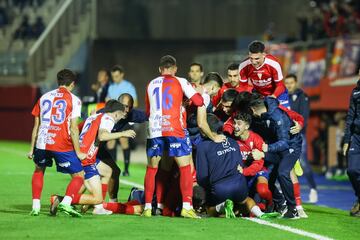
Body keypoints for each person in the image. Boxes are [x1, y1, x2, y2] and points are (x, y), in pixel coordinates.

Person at [143, 55, 204, 218]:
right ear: (175, 69)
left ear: (159, 69)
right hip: (174, 129)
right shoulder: (181, 81)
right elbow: (198, 101)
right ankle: (186, 207)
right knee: (185, 168)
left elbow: (148, 112)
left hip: (155, 130)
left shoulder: (150, 84)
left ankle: (148, 207)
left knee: (152, 168)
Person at [196, 114, 279, 219]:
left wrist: (208, 189)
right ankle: (260, 214)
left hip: (220, 188)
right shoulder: (232, 141)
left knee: (209, 208)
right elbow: (240, 165)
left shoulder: (202, 146)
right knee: (245, 200)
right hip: (239, 184)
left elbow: (202, 176)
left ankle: (222, 206)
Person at [27, 69, 86, 217]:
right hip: (61, 143)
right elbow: (73, 129)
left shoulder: (43, 97)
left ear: (58, 81)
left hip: (42, 142)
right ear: (72, 84)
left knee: (39, 170)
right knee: (79, 176)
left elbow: (36, 125)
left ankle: (36, 206)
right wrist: (78, 151)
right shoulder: (74, 100)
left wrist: (31, 148)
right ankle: (66, 203)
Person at [248, 96, 303, 219]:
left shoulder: (277, 116)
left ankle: (293, 209)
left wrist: (266, 148)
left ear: (253, 110)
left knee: (283, 172)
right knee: (269, 178)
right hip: (277, 148)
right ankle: (280, 203)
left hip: (291, 147)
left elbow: (284, 142)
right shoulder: (266, 115)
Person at [284, 74, 318, 203]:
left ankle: (313, 189)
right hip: (285, 136)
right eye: (286, 83)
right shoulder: (283, 97)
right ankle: (286, 192)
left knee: (303, 163)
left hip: (298, 135)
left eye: (291, 83)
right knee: (284, 164)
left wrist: (298, 128)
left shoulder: (302, 96)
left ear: (296, 83)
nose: (289, 85)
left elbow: (304, 116)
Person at [233, 112, 273, 211]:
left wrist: (244, 172)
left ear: (246, 126)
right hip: (242, 174)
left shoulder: (256, 139)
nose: (235, 126)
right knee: (246, 208)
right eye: (234, 123)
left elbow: (259, 164)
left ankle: (271, 202)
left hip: (256, 171)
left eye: (238, 123)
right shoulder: (233, 141)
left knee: (262, 190)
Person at [239, 40, 289, 108]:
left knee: (284, 117)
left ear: (263, 55)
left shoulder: (274, 64)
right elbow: (243, 87)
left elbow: (280, 85)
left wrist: (273, 96)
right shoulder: (243, 66)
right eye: (251, 58)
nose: (254, 62)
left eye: (257, 59)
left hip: (277, 93)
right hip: (259, 95)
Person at [343, 74, 360, 217]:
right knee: (352, 170)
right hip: (357, 137)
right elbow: (350, 116)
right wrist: (346, 140)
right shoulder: (355, 92)